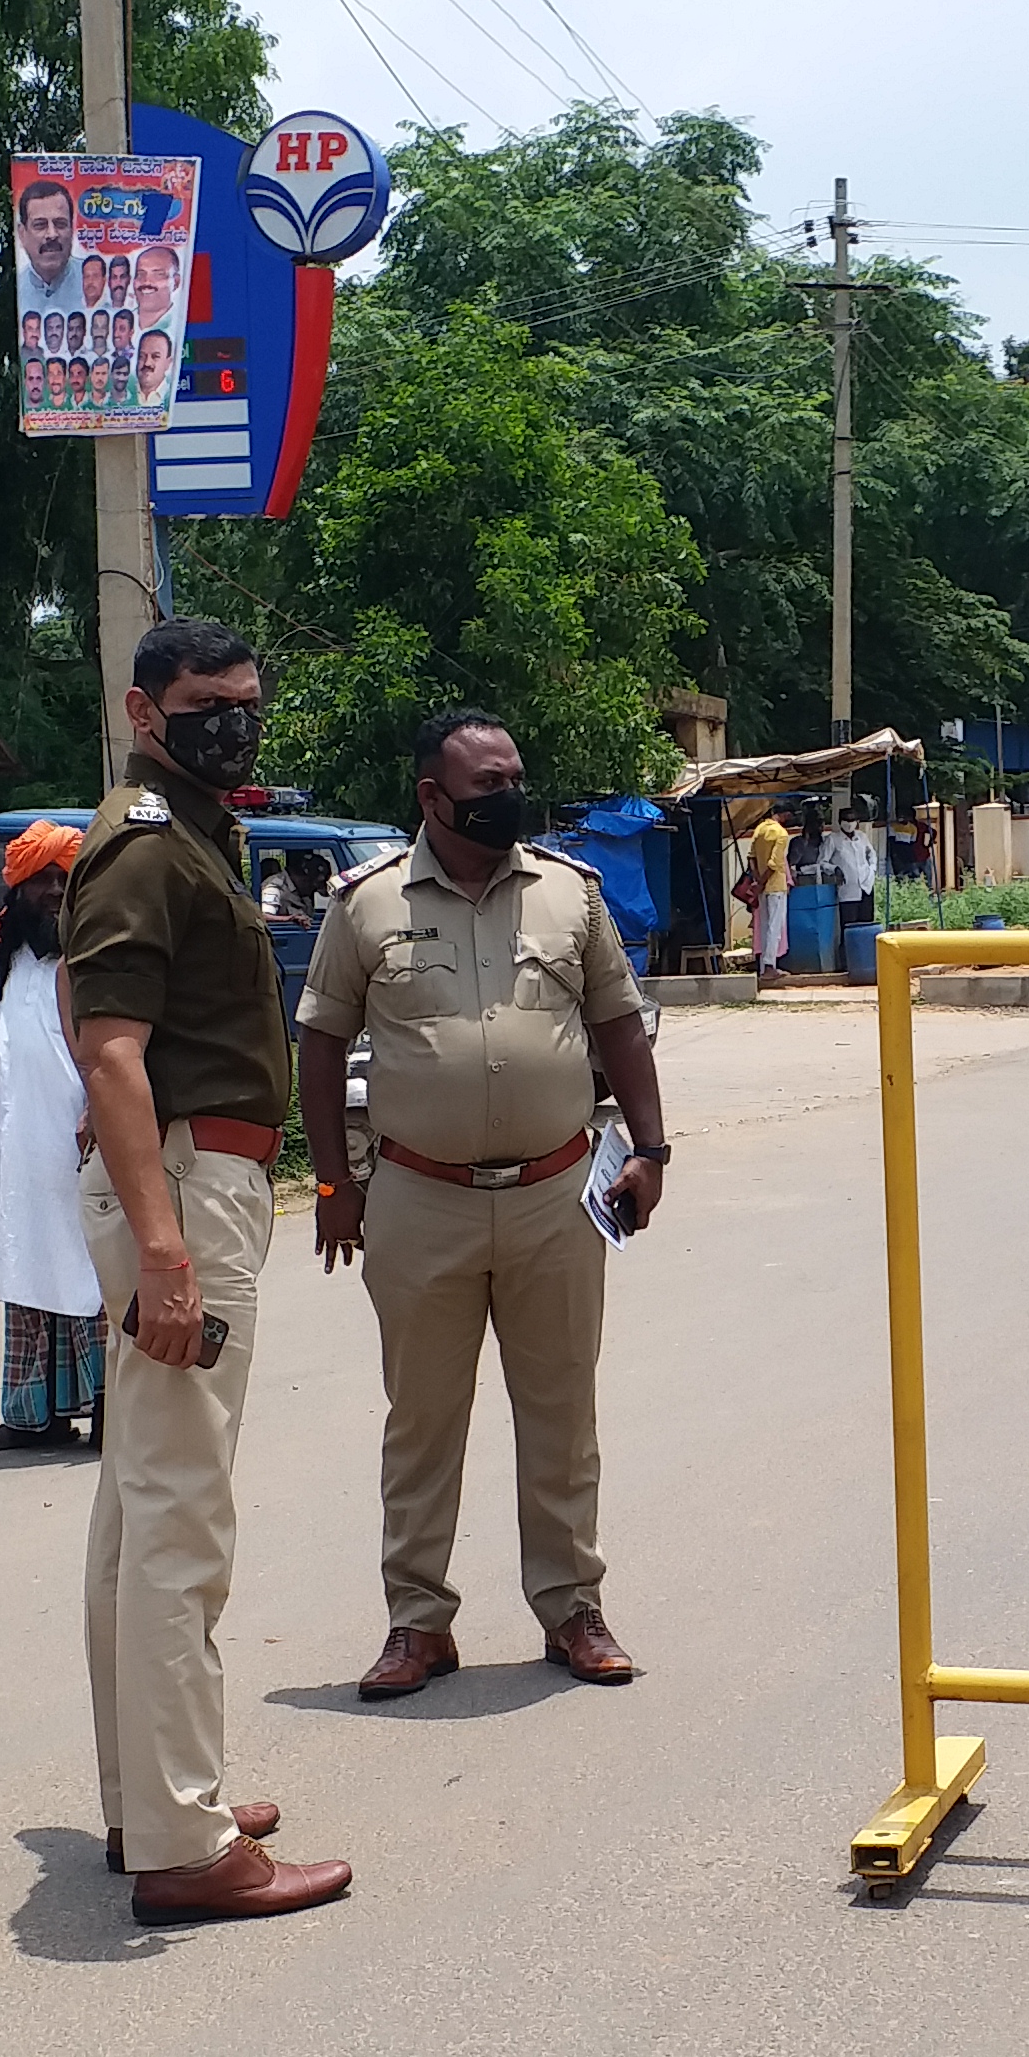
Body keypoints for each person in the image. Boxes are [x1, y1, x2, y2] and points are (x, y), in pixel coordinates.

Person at [296, 710, 670, 1701]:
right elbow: (321, 1044)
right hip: (420, 1199)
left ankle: (573, 1608)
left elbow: (621, 1027)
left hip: (557, 1192)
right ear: (432, 797)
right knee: (422, 1421)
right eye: (487, 780)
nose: (510, 791)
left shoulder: (568, 894)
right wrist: (334, 1184)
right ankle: (418, 1624)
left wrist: (654, 1150)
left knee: (562, 1413)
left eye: (515, 772)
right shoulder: (366, 905)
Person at [66, 618, 346, 1923]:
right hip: (183, 1185)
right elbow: (110, 1054)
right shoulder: (141, 844)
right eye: (207, 704)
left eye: (247, 700)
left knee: (140, 1509)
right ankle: (185, 1843)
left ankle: (155, 1801)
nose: (236, 722)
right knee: (181, 1520)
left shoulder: (188, 833)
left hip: (192, 1177)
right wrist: (168, 1252)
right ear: (143, 710)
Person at [0, 820, 107, 1453]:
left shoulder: (98, 949)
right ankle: (32, 1417)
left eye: (66, 879)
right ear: (16, 888)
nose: (55, 892)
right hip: (15, 1151)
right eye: (42, 880)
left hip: (86, 1145)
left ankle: (108, 1412)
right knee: (25, 1273)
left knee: (91, 1277)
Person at [740, 800, 793, 978]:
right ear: (785, 814)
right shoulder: (781, 833)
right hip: (775, 886)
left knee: (764, 926)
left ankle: (764, 967)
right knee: (774, 927)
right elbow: (775, 863)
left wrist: (757, 881)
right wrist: (762, 882)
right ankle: (770, 966)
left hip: (762, 887)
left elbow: (751, 857)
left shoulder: (759, 829)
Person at [825, 801, 883, 945]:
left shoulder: (862, 837)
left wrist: (872, 869)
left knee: (866, 923)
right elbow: (823, 862)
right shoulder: (833, 839)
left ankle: (867, 953)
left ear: (857, 822)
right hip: (847, 890)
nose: (849, 823)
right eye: (846, 820)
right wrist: (835, 869)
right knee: (849, 925)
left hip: (866, 886)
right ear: (840, 822)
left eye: (852, 820)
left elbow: (872, 854)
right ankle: (849, 957)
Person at [17, 174, 77, 303]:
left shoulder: (97, 285)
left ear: (72, 229)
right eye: (40, 225)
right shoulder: (15, 290)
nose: (52, 234)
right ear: (22, 234)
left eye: (60, 224)